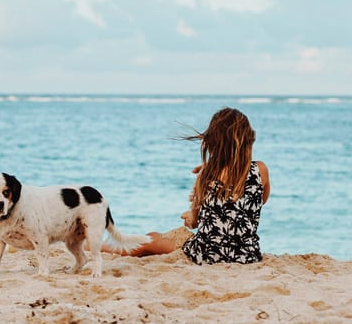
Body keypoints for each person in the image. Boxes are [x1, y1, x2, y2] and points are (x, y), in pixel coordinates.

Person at [116, 107, 270, 264]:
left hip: (207, 255)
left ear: (212, 141)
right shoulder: (261, 170)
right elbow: (260, 201)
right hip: (248, 256)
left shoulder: (206, 174)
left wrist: (189, 216)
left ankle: (94, 246)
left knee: (150, 239)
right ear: (248, 140)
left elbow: (195, 223)